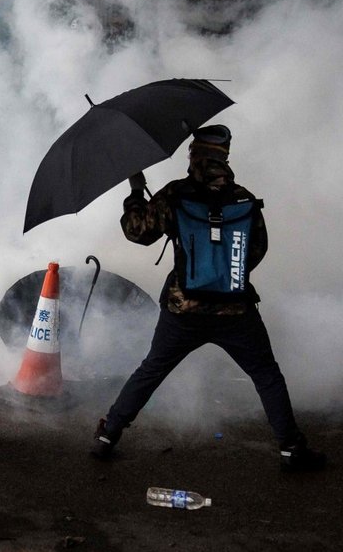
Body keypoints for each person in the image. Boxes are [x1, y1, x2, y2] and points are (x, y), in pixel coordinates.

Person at [90, 125, 327, 472]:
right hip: (236, 311)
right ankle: (291, 448)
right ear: (225, 157)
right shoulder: (243, 198)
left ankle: (107, 436)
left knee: (151, 371)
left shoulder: (175, 194)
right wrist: (224, 273)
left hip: (182, 308)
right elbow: (256, 250)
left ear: (193, 157)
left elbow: (136, 232)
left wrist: (136, 193)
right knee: (266, 374)